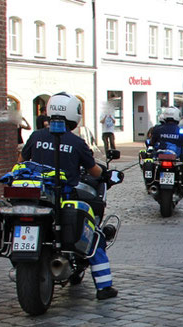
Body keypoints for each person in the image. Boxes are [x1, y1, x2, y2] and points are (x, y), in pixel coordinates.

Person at [21, 93, 118, 300]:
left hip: (36, 199)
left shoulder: (36, 136)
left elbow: (21, 160)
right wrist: (107, 175)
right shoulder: (76, 141)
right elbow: (93, 171)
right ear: (74, 114)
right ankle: (104, 288)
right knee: (95, 236)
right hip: (64, 199)